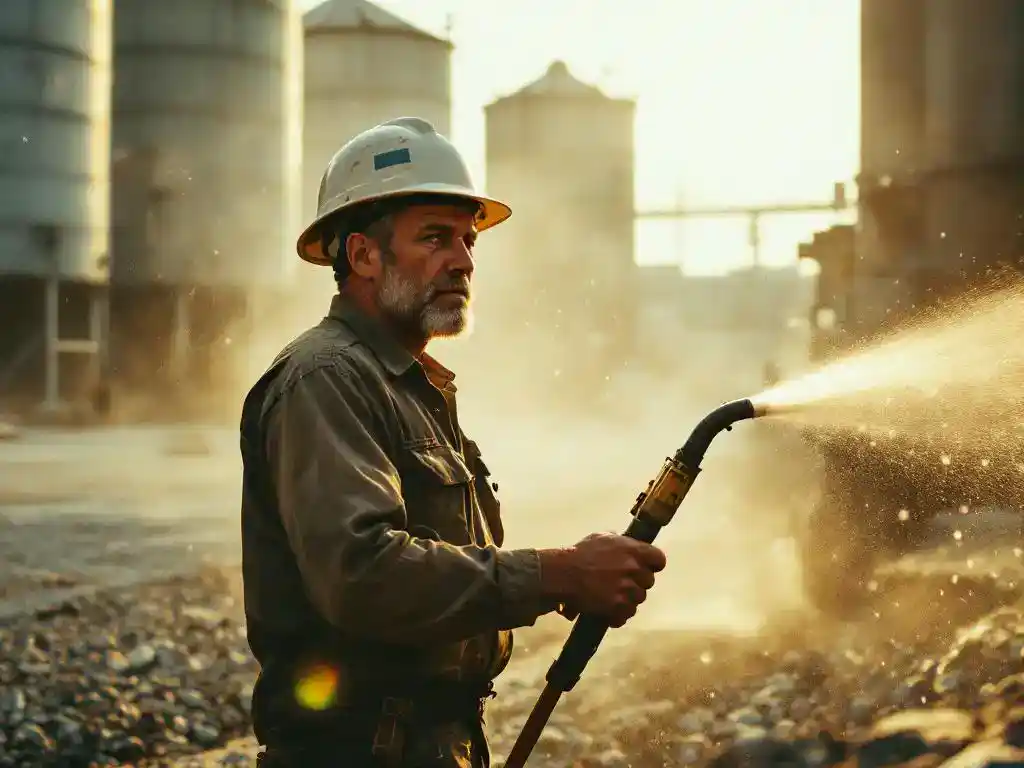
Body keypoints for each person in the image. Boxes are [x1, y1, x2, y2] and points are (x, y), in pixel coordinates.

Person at [239, 117, 667, 768]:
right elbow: (361, 576)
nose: (464, 260)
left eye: (468, 240)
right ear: (361, 256)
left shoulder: (413, 386)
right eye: (435, 238)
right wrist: (559, 573)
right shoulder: (326, 380)